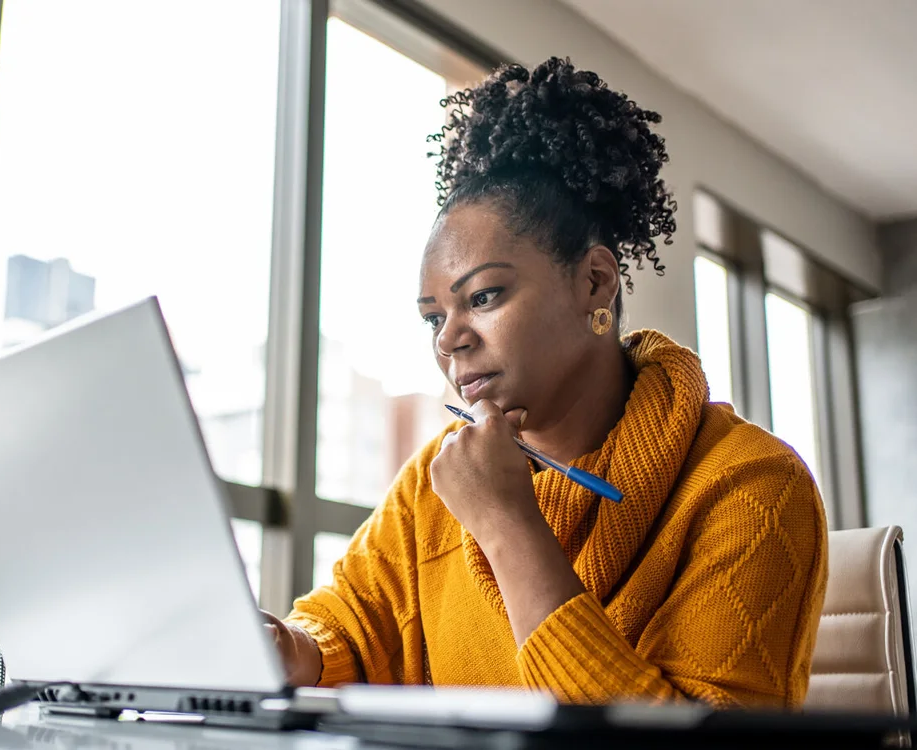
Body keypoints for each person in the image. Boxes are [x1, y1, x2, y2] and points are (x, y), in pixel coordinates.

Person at [264, 57, 827, 707]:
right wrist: (290, 647)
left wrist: (507, 525)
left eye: (484, 296)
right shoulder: (432, 482)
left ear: (594, 282)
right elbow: (349, 629)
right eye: (433, 318)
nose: (449, 339)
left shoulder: (751, 485)